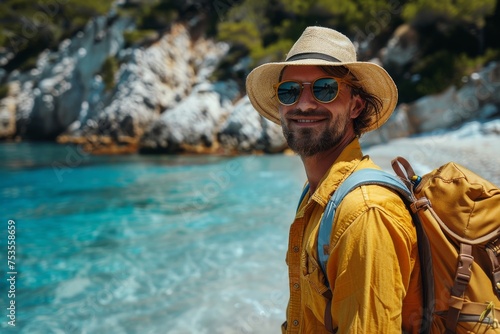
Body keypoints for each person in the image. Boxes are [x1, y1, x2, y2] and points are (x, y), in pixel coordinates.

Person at [246, 26, 423, 333]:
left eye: (324, 88)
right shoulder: (317, 194)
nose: (303, 104)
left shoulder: (364, 213)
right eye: (289, 91)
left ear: (356, 105)